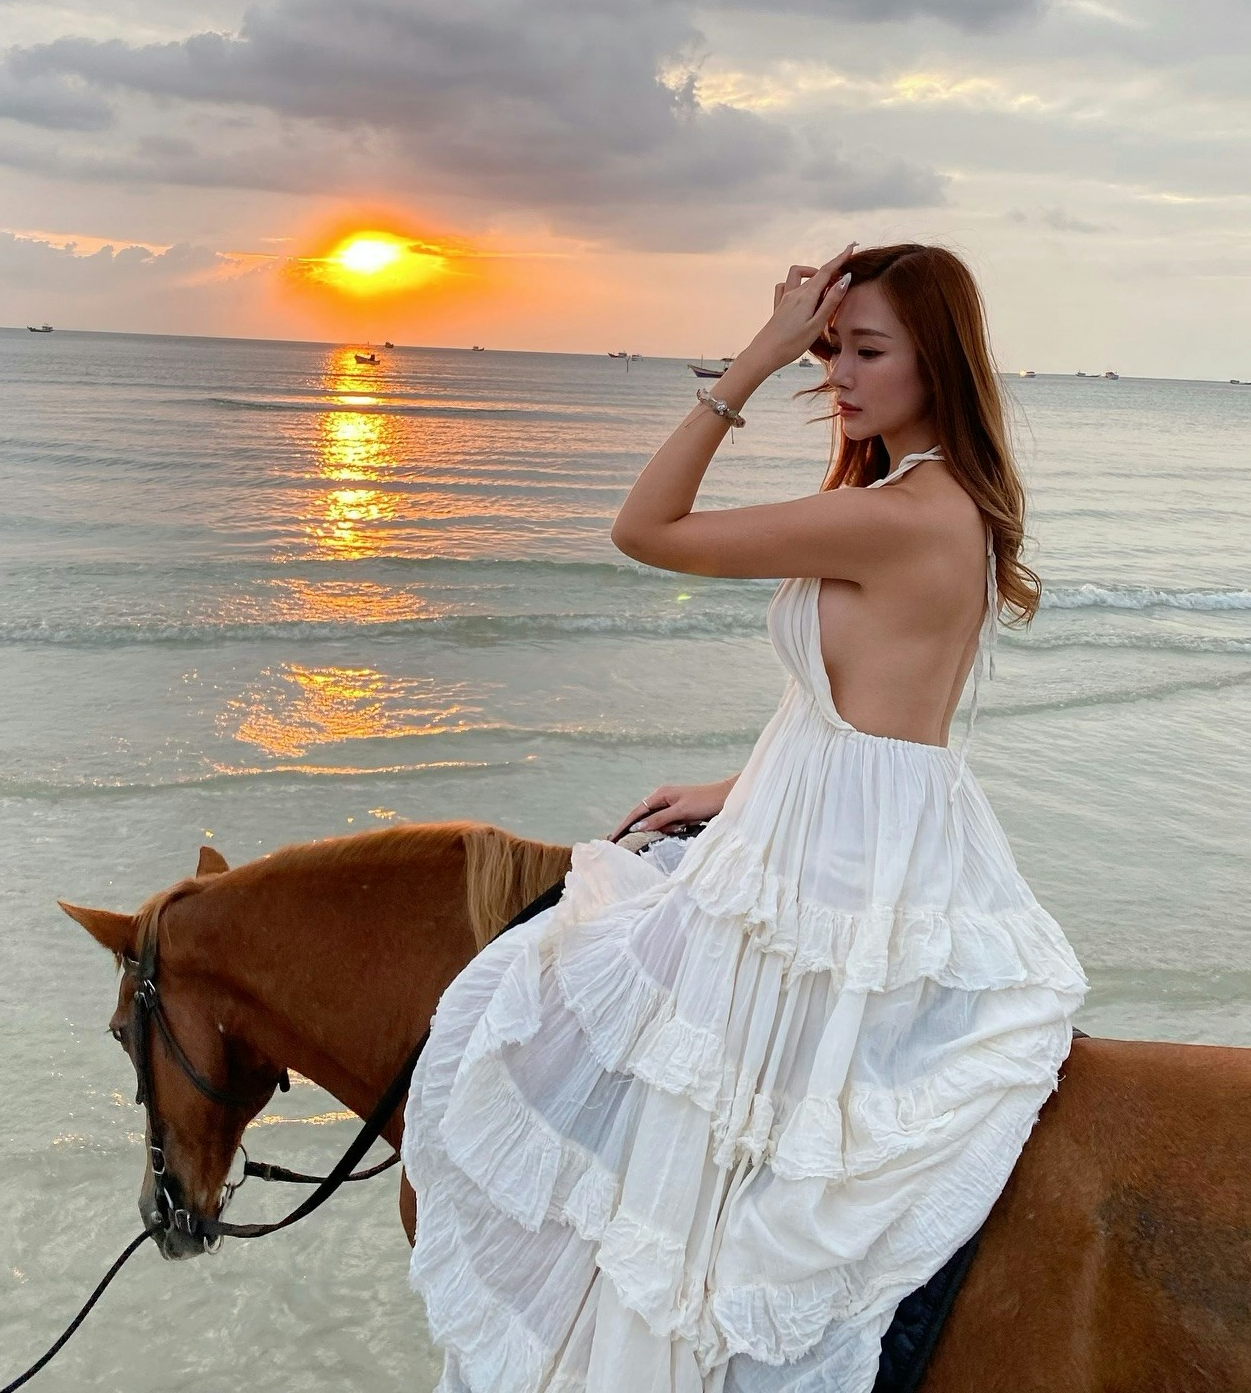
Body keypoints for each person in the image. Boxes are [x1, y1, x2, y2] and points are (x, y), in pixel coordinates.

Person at [402, 243, 1086, 1393]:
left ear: (938, 360)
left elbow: (644, 529)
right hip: (861, 830)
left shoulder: (895, 516)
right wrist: (738, 788)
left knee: (554, 1024)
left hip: (834, 867)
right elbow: (878, 718)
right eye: (828, 351)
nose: (839, 376)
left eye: (866, 351)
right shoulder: (937, 500)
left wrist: (754, 361)